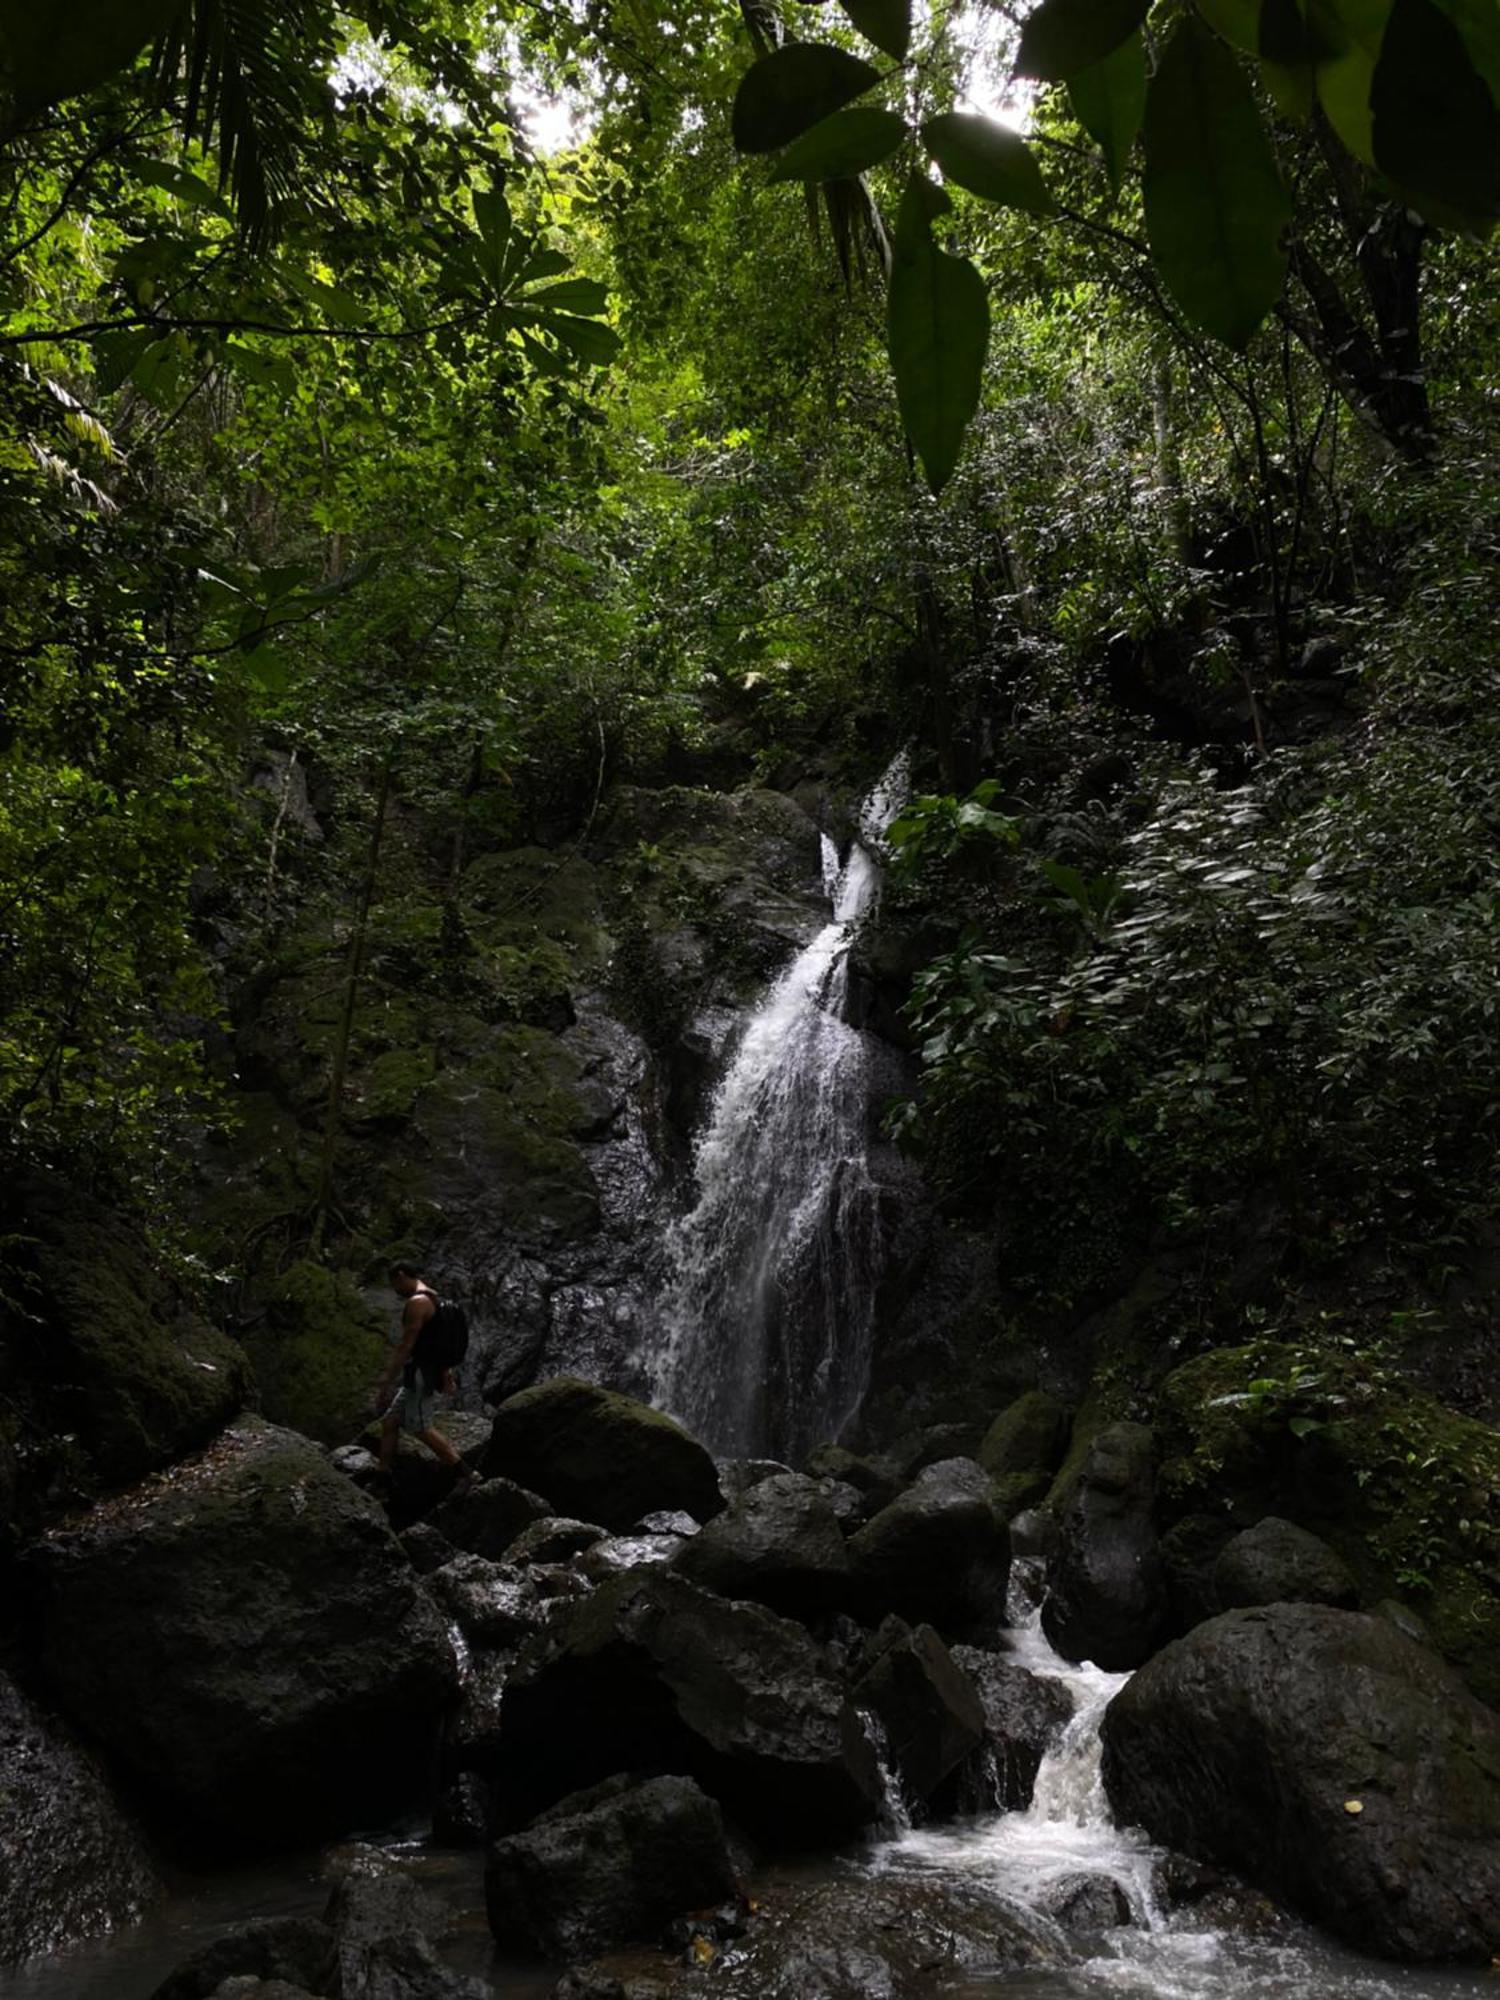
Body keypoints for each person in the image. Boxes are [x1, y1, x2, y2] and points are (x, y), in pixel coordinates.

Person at [375, 1262, 473, 1489]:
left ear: (401, 1276)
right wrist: (446, 1373)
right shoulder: (438, 1300)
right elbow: (437, 1343)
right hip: (424, 1371)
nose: (395, 1290)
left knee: (420, 1426)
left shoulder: (417, 1303)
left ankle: (466, 1474)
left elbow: (406, 1346)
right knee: (390, 1421)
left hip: (422, 1374)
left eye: (394, 1284)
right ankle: (382, 1477)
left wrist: (386, 1381)